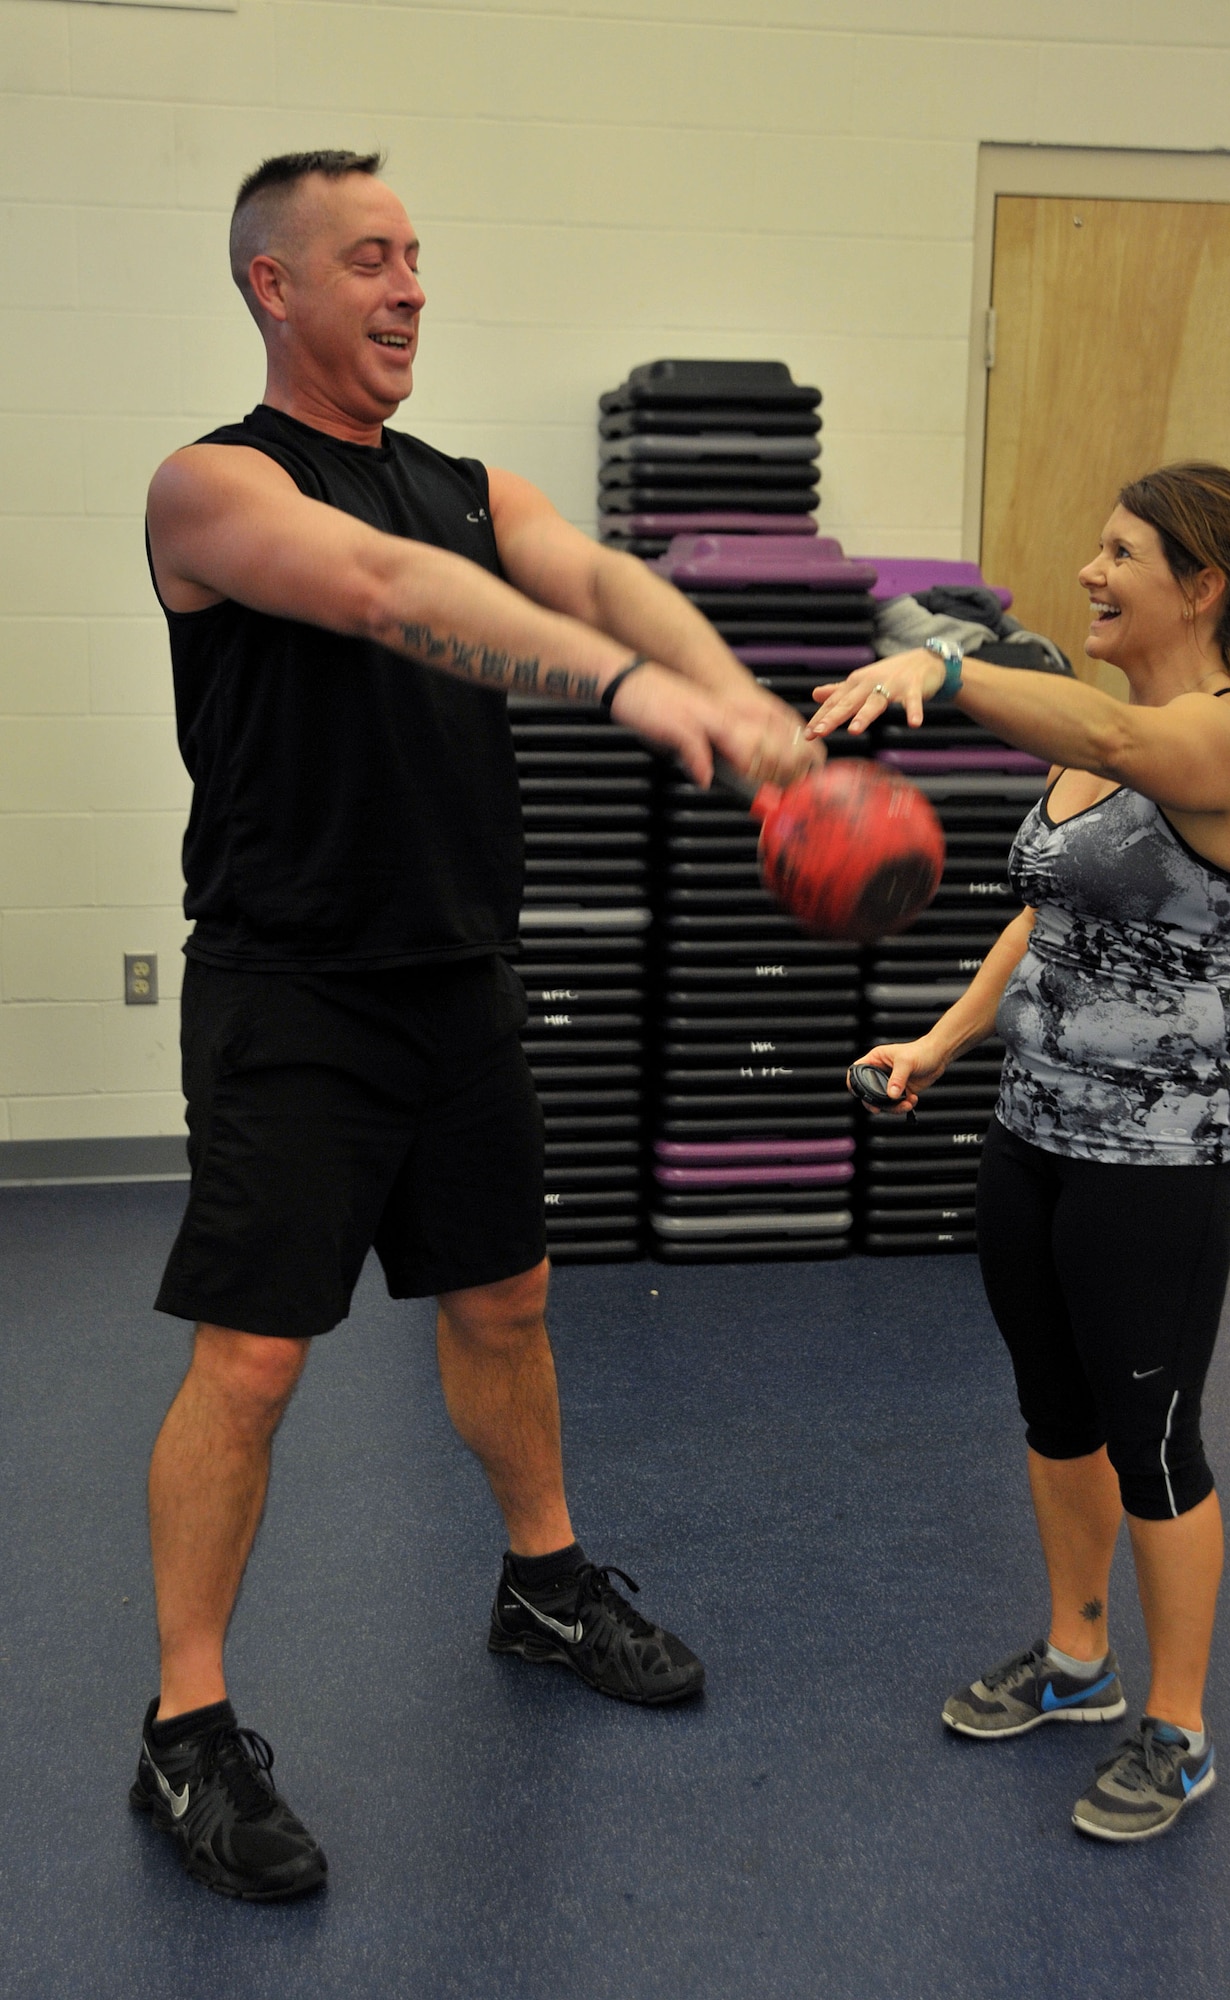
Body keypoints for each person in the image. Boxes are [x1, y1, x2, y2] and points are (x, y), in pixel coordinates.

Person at [131, 148, 819, 1901]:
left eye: (418, 254)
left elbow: (598, 580)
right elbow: (384, 600)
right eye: (371, 257)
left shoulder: (463, 479)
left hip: (458, 980)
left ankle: (542, 1576)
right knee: (254, 1359)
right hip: (293, 987)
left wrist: (737, 702)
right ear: (273, 286)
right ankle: (185, 1731)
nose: (412, 284)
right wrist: (638, 696)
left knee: (505, 1304)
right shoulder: (214, 487)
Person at [808, 462, 1230, 1843]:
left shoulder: (1222, 738)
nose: (1090, 571)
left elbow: (1102, 726)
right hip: (1035, 1123)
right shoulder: (1095, 740)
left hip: (1161, 1150)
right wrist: (941, 1040)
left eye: (1119, 554)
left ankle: (1180, 1726)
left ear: (1197, 587)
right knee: (1052, 1407)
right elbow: (1048, 917)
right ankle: (1077, 1663)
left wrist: (948, 672)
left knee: (1149, 1438)